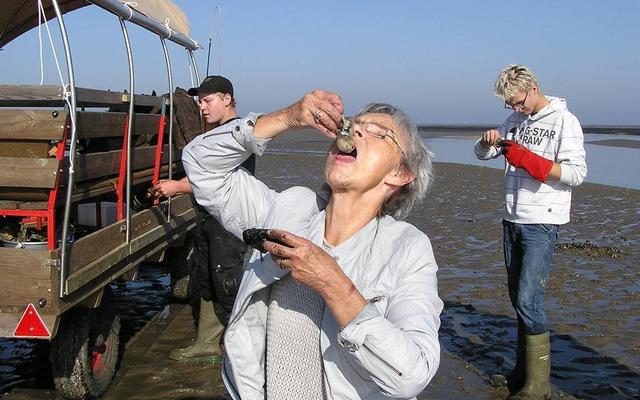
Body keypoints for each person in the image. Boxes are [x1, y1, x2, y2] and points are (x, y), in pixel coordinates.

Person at [183, 89, 443, 399]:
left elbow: (413, 374)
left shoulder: (407, 249)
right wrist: (288, 117)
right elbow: (201, 164)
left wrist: (333, 283)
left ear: (400, 174)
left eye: (380, 134)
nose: (355, 129)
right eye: (353, 124)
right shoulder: (285, 210)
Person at [474, 64, 587, 399]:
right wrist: (487, 142)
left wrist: (527, 159)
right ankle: (522, 372)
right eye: (509, 105)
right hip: (512, 217)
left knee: (528, 298)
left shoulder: (564, 120)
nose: (516, 109)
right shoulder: (513, 122)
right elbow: (484, 154)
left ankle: (539, 386)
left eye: (519, 102)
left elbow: (577, 174)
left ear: (534, 87)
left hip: (542, 221)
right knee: (517, 299)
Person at [153, 75, 256, 364]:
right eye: (199, 103)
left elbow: (213, 178)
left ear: (227, 99)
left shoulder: (235, 134)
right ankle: (206, 342)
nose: (202, 108)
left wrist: (175, 187)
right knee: (208, 278)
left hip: (229, 222)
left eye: (208, 101)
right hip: (210, 218)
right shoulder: (216, 133)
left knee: (227, 281)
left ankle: (244, 346)